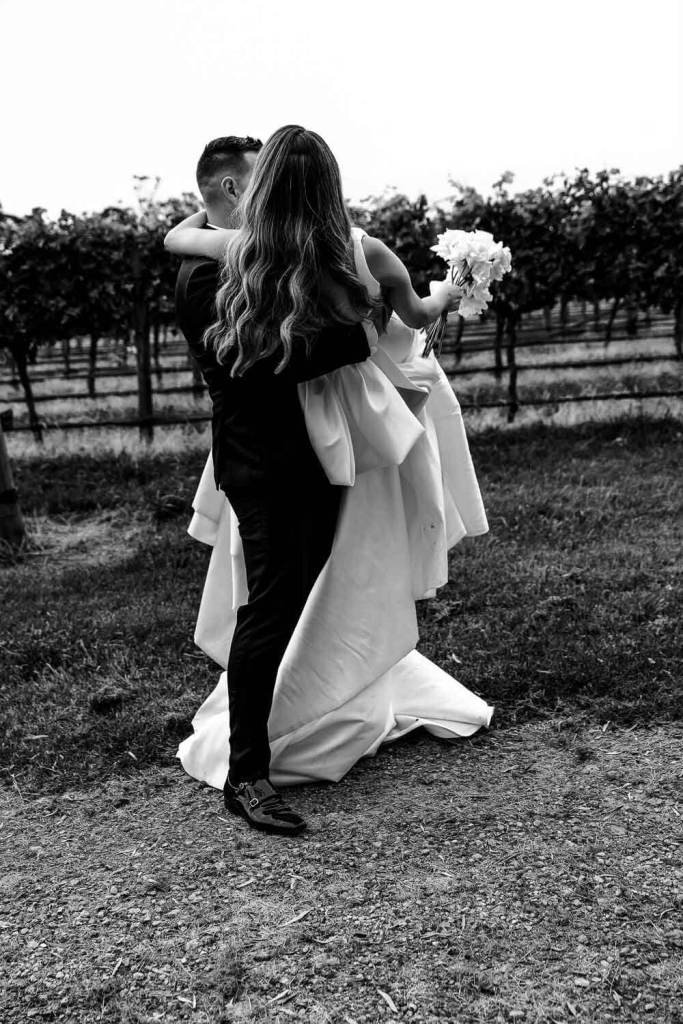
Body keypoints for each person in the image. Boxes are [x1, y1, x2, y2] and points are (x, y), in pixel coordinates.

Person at [166, 127, 465, 837]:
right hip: (269, 464)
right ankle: (246, 773)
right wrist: (406, 303)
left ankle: (309, 713)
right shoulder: (320, 274)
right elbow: (312, 352)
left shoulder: (252, 259)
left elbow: (186, 239)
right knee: (271, 605)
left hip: (301, 460)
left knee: (303, 595)